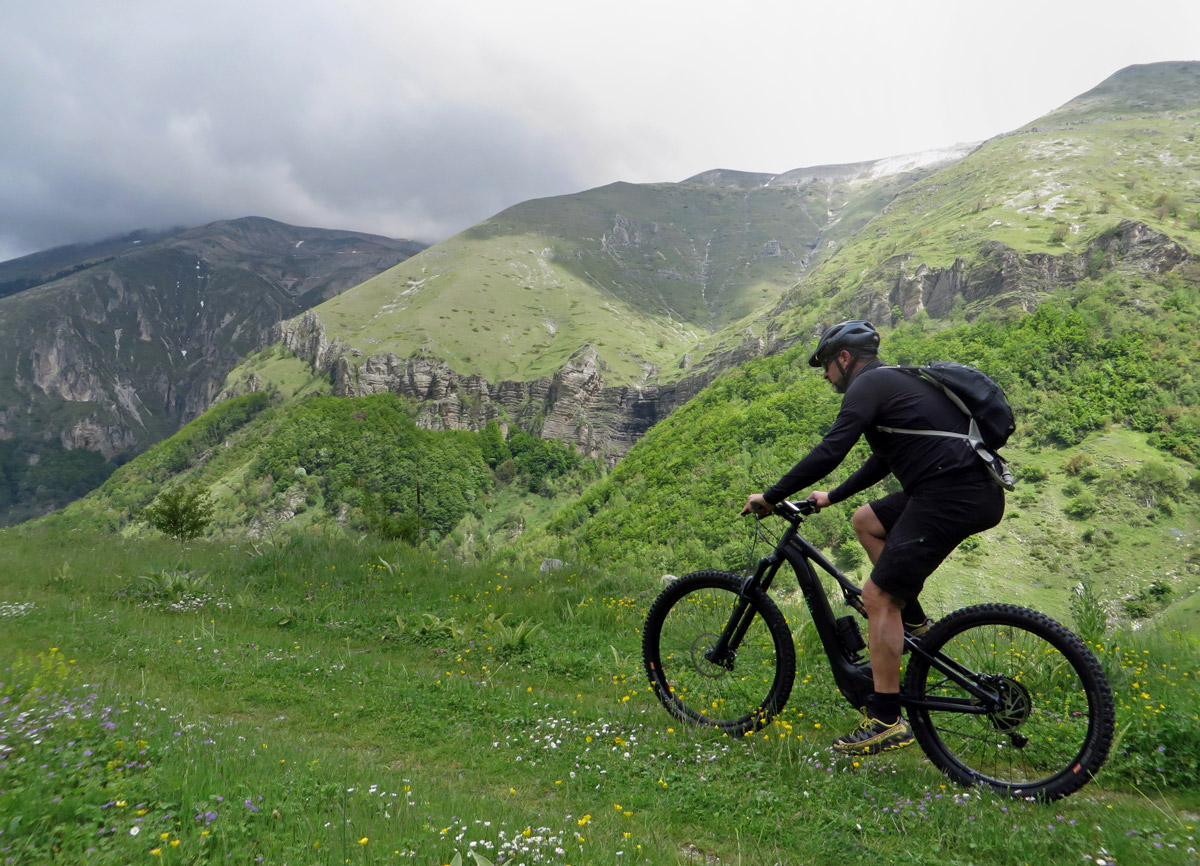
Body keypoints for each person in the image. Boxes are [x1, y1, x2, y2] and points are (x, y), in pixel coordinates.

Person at [741, 320, 1006, 756]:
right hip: (963, 488)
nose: (825, 376)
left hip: (952, 493)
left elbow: (831, 450)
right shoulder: (894, 381)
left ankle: (886, 719)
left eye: (826, 365)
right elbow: (883, 460)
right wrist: (831, 497)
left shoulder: (867, 387)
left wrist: (770, 496)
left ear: (845, 359)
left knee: (878, 597)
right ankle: (917, 627)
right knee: (866, 521)